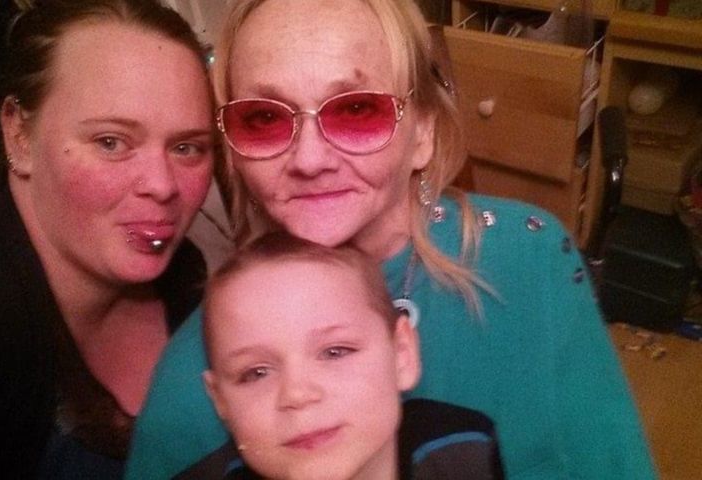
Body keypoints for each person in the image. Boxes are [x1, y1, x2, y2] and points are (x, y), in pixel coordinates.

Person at [127, 0, 658, 479]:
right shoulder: (191, 381)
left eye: (357, 109)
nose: (310, 159)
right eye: (263, 118)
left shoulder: (531, 260)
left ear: (423, 130)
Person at [0, 0, 216, 477]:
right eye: (111, 142)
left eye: (186, 147)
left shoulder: (183, 274)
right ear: (19, 135)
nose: (162, 185)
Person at [176, 232, 504, 480]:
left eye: (335, 352)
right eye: (256, 373)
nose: (297, 394)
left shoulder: (461, 450)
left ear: (401, 354)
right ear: (220, 400)